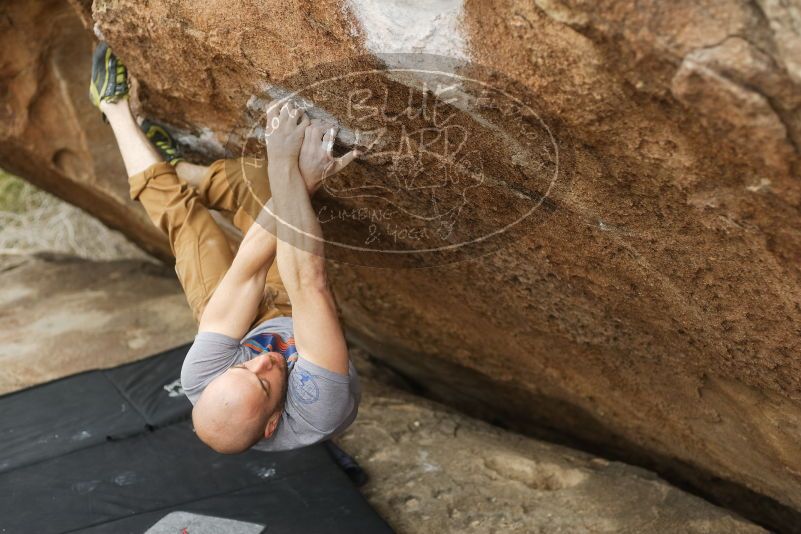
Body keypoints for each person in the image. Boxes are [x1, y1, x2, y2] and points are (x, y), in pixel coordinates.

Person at [90, 42, 361, 454]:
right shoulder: (316, 406)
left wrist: (290, 169)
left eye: (244, 367)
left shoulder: (203, 374)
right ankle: (153, 147)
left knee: (191, 222)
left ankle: (118, 113)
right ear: (272, 423)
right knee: (276, 189)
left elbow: (249, 268)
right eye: (265, 382)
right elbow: (309, 283)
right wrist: (289, 173)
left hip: (241, 316)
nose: (263, 361)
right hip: (296, 311)